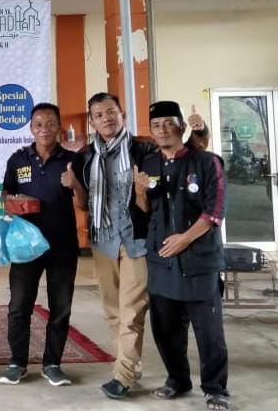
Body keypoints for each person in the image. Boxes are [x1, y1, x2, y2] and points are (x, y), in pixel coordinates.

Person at [77, 92, 208, 400]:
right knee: (113, 311)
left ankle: (123, 376)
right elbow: (83, 200)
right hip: (103, 240)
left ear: (122, 115)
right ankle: (128, 367)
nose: (106, 119)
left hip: (137, 240)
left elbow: (185, 153)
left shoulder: (144, 149)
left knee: (131, 309)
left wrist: (200, 131)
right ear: (92, 122)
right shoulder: (85, 156)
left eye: (111, 112)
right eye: (99, 115)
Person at [134, 101, 230, 411]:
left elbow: (214, 212)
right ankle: (177, 380)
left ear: (182, 126)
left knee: (209, 332)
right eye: (156, 125)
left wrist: (185, 239)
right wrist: (139, 191)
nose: (162, 129)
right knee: (165, 329)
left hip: (199, 260)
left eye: (168, 123)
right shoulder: (148, 163)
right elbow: (145, 209)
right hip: (161, 260)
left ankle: (215, 388)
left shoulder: (207, 162)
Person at [0, 103, 86, 388]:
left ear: (58, 126)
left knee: (60, 308)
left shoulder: (72, 160)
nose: (44, 129)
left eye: (50, 123)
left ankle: (52, 364)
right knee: (18, 306)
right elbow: (6, 192)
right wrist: (10, 202)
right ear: (31, 128)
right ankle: (17, 363)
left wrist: (75, 184)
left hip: (62, 246)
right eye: (38, 124)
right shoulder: (18, 159)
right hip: (26, 247)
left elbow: (84, 204)